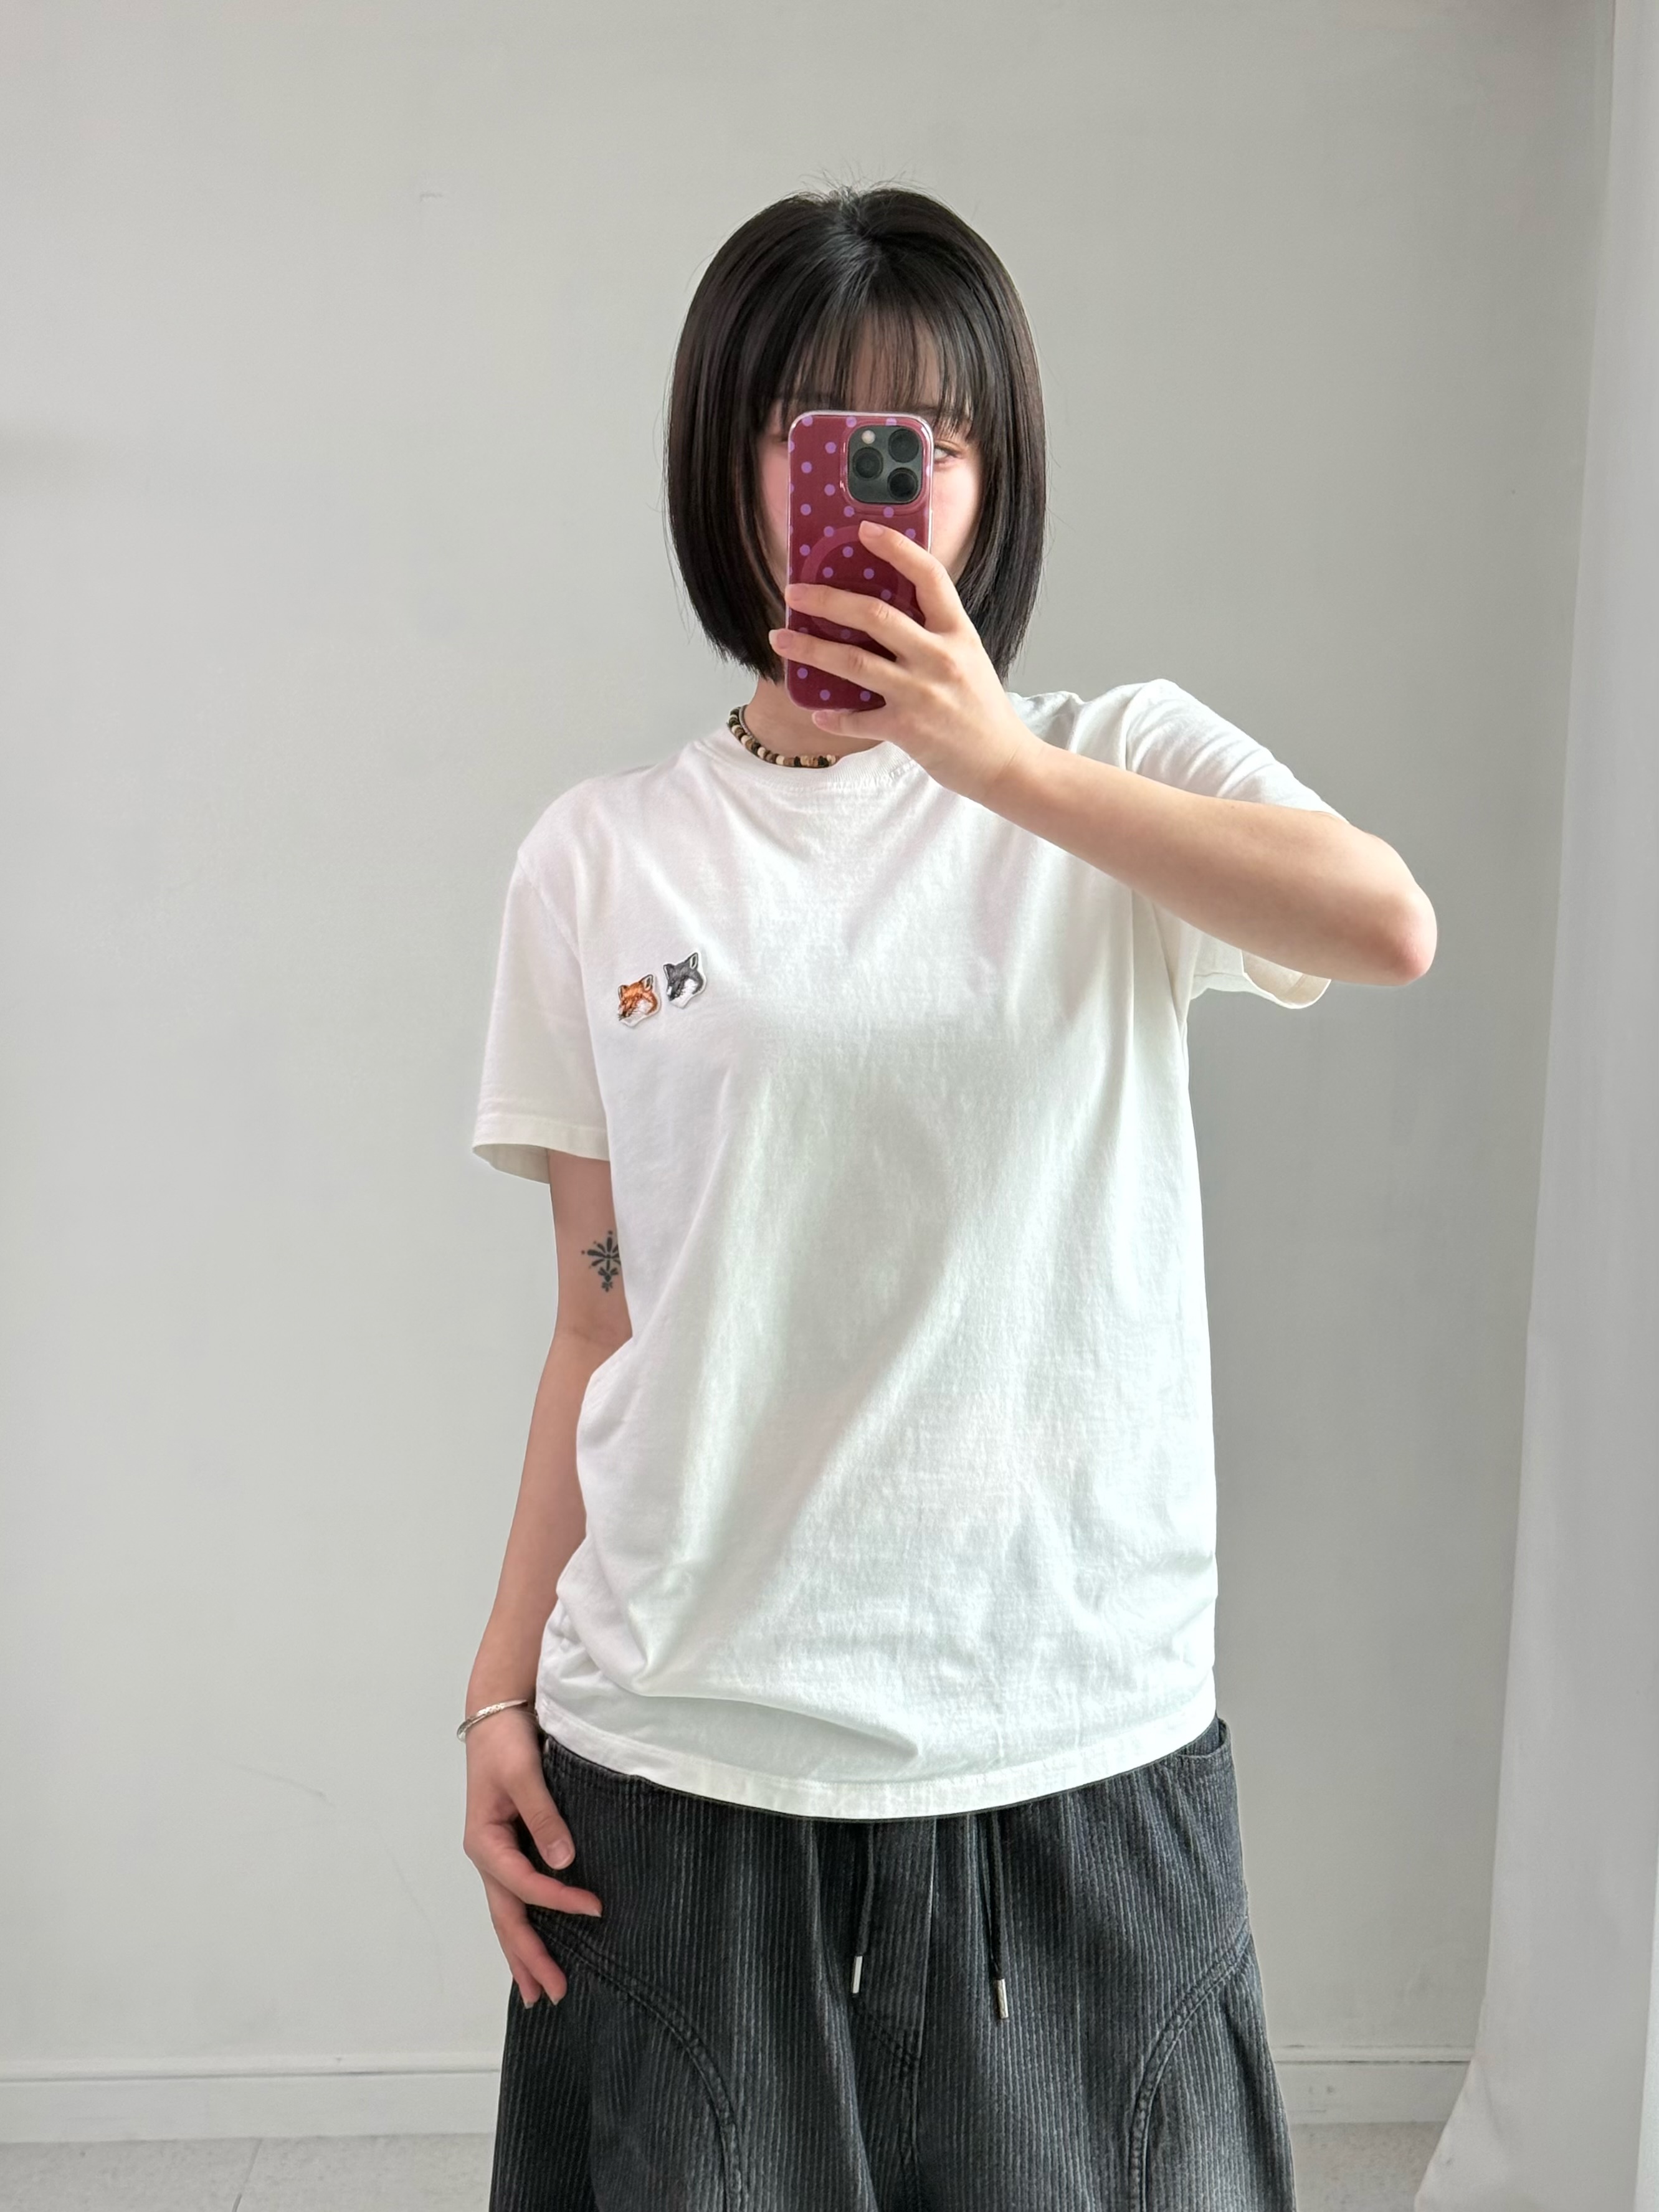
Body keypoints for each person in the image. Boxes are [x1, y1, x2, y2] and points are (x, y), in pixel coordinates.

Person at [460, 184, 1434, 2211]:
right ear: (732, 456)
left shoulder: (1114, 768)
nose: (877, 481)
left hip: (1071, 1735)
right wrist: (494, 1693)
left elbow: (1384, 923)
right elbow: (598, 1309)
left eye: (933, 438)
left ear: (991, 478)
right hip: (688, 1752)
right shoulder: (602, 859)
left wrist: (1000, 770)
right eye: (813, 427)